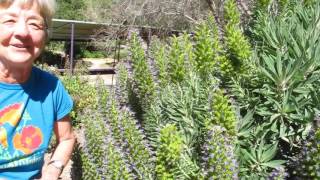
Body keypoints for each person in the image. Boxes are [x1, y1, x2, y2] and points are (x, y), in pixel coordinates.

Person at [0, 0, 75, 179]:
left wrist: (52, 170)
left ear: (45, 35)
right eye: (10, 21)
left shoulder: (52, 87)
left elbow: (66, 138)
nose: (23, 32)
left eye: (34, 24)